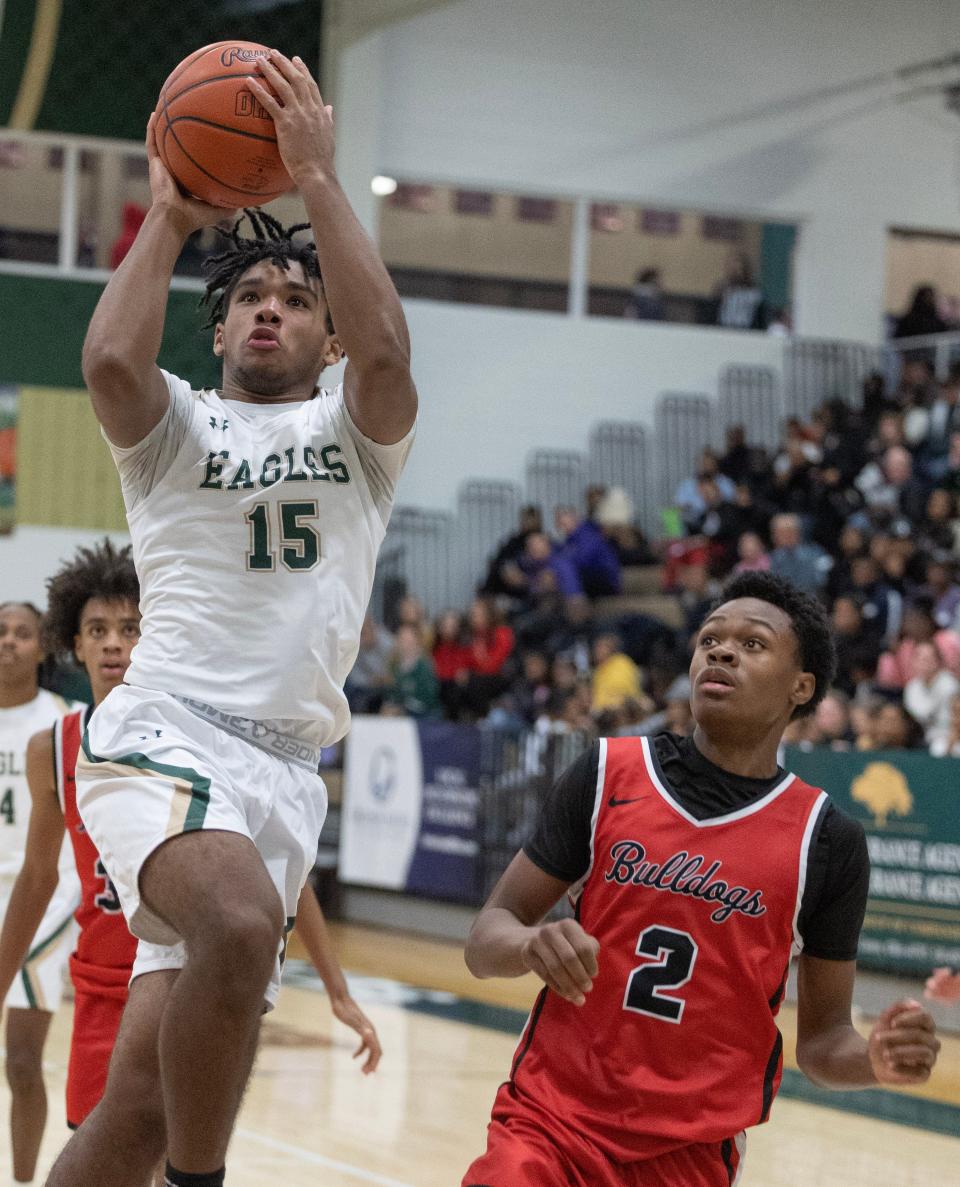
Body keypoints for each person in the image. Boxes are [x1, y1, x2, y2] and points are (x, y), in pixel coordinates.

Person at [52, 48, 416, 1187]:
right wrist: (166, 210)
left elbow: (394, 350)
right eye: (250, 298)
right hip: (162, 732)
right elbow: (111, 356)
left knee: (144, 1103)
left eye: (297, 299)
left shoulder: (362, 441)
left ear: (330, 337)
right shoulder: (177, 432)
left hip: (284, 773)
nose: (270, 309)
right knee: (244, 921)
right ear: (216, 333)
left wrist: (316, 180)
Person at [461, 571, 940, 1187]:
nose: (721, 650)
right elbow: (483, 941)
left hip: (688, 1156)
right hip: (551, 1124)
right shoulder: (609, 773)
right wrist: (528, 944)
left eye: (753, 643)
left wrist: (873, 1061)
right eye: (710, 638)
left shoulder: (827, 840)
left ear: (802, 686)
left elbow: (822, 1043)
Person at [0, 544, 385, 1150]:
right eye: (97, 630)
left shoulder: (196, 740)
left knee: (170, 1156)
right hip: (99, 989)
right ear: (74, 644)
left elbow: (279, 878)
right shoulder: (52, 747)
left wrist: (338, 991)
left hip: (174, 979)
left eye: (130, 629)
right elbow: (37, 879)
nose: (112, 644)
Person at [0, 603, 79, 1185]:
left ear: (44, 647)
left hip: (43, 896)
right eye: (0, 632)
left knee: (22, 1061)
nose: (9, 642)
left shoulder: (65, 721)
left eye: (22, 633)